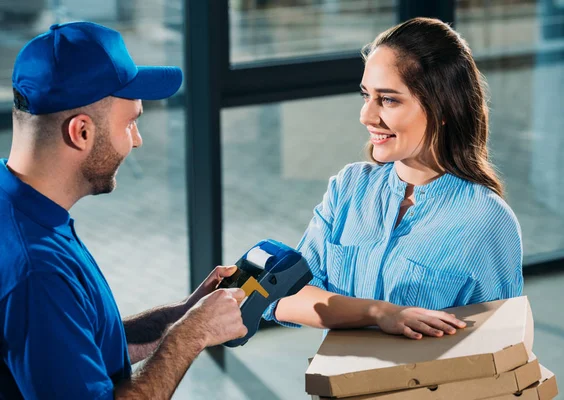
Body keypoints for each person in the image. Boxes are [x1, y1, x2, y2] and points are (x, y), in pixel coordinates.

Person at [0, 22, 247, 399]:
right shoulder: (38, 271)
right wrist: (190, 337)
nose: (137, 140)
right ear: (81, 132)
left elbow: (75, 343)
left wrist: (182, 314)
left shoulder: (18, 204)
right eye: (130, 123)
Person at [263, 18, 523, 339]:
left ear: (443, 108)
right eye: (365, 96)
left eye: (388, 99)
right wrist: (380, 312)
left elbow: (501, 346)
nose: (366, 116)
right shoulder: (350, 187)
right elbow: (286, 297)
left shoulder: (487, 221)